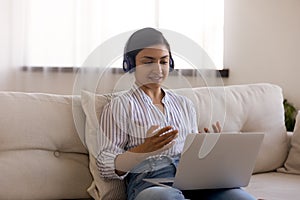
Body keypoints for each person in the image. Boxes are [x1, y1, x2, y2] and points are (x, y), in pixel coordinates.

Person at [97, 27, 255, 200]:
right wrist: (143, 151)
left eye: (163, 62)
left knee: (240, 197)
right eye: (148, 61)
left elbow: (193, 159)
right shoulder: (119, 106)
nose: (158, 69)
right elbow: (105, 166)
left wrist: (209, 150)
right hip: (151, 183)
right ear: (130, 64)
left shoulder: (185, 105)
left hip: (194, 181)